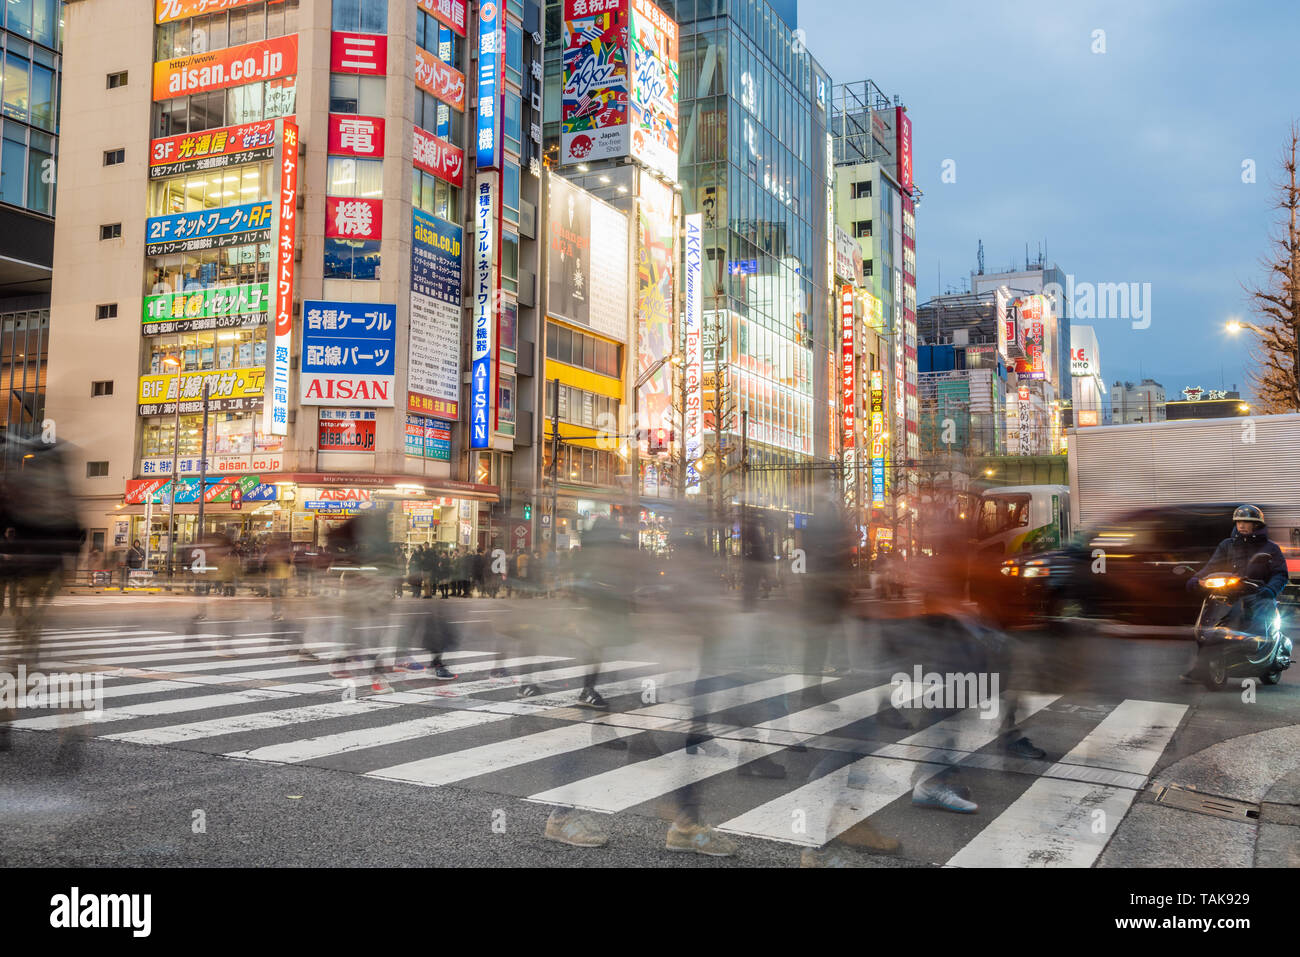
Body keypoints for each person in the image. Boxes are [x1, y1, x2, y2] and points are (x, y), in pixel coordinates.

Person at [1182, 504, 1289, 680]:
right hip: (1230, 591)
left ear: (1256, 525)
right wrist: (1197, 579)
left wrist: (1270, 589)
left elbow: (1280, 574)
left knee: (1260, 609)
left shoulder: (1270, 548)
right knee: (1209, 621)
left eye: (1247, 521)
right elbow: (1212, 566)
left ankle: (1258, 647)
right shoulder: (1227, 545)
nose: (1242, 525)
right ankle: (1202, 665)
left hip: (1258, 592)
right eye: (1239, 521)